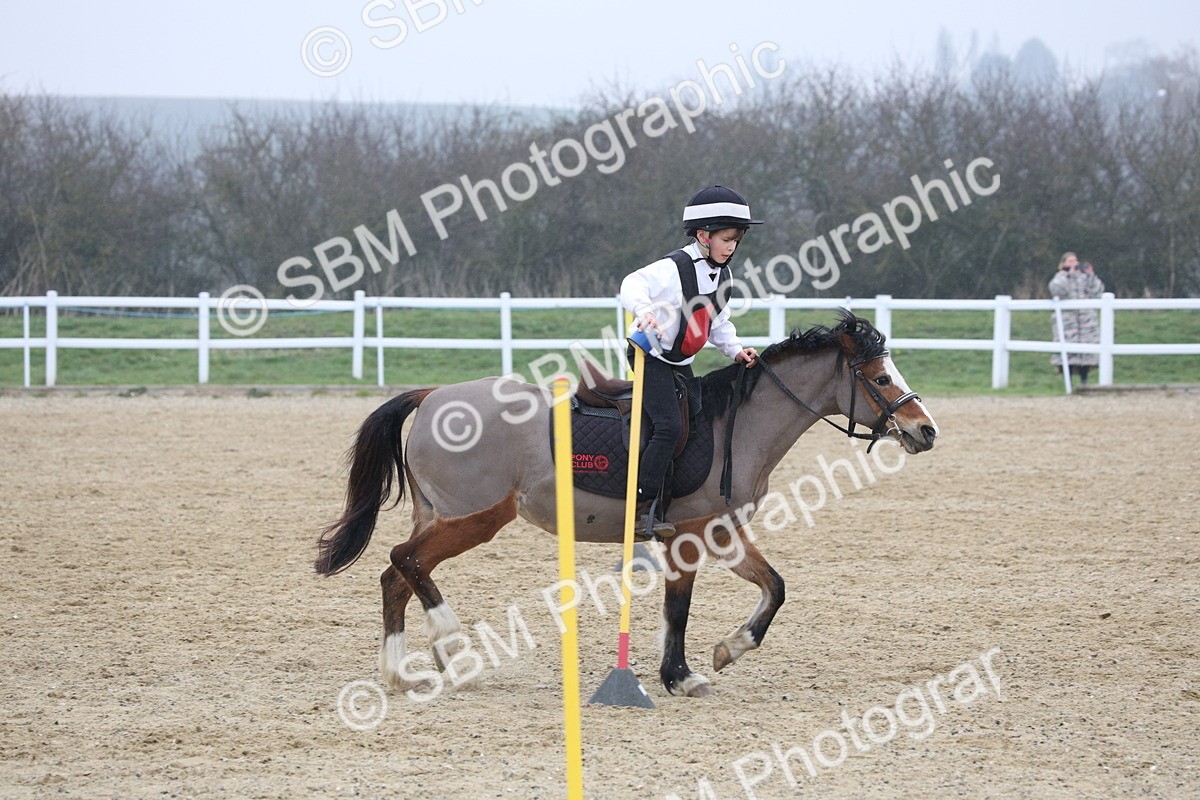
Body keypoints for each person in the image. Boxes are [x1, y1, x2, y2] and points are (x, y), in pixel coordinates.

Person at [619, 185, 763, 536]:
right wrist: (645, 310)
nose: (732, 246)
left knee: (695, 424)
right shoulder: (673, 268)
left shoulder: (723, 276)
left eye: (736, 240)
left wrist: (735, 350)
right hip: (651, 356)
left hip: (680, 363)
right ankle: (641, 508)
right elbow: (631, 284)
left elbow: (717, 322)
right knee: (669, 426)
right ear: (703, 235)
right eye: (727, 239)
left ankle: (676, 498)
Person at [1048, 252, 1104, 385]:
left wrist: (1091, 275)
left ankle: (1084, 381)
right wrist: (1067, 275)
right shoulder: (1060, 277)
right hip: (1068, 322)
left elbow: (1098, 292)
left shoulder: (1085, 278)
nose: (1073, 264)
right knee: (1067, 353)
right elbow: (1057, 290)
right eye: (1070, 261)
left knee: (1085, 353)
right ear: (1063, 264)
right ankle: (1067, 382)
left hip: (1086, 323)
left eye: (1075, 261)